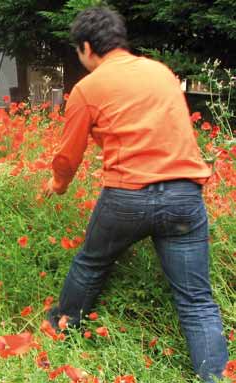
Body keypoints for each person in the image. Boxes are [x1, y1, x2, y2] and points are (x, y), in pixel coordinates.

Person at [43, 7, 229, 382]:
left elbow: (68, 155)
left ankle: (60, 336)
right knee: (196, 301)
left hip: (127, 197)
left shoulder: (87, 88)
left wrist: (57, 185)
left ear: (85, 47)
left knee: (91, 263)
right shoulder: (160, 73)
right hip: (183, 195)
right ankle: (216, 377)